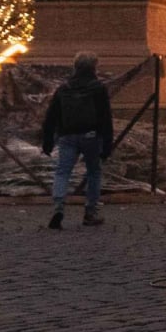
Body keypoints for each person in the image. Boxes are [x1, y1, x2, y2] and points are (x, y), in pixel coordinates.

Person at [41, 52, 115, 230]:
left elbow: (51, 116)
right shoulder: (98, 88)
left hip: (67, 136)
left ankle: (58, 207)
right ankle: (90, 212)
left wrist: (47, 141)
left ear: (74, 66)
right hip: (91, 136)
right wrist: (107, 144)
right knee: (93, 172)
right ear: (94, 67)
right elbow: (106, 117)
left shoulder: (64, 88)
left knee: (62, 172)